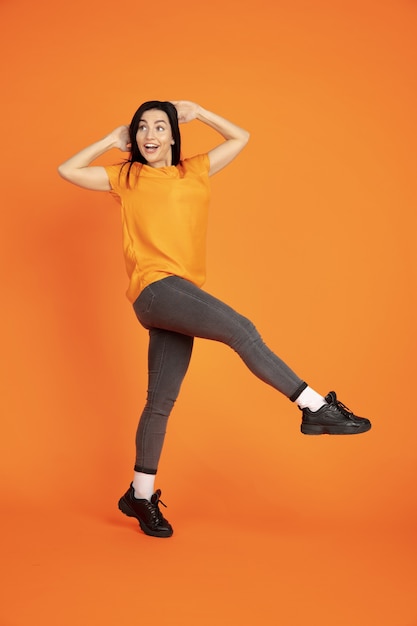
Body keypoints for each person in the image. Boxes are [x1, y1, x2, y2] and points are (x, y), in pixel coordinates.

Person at [58, 100, 371, 538]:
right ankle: (315, 407)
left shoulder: (195, 170)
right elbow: (67, 170)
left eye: (160, 126)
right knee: (240, 329)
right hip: (155, 289)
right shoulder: (126, 176)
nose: (150, 134)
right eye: (142, 127)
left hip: (180, 294)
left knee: (160, 401)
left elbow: (240, 137)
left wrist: (199, 111)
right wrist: (112, 140)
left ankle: (139, 495)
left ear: (172, 134)